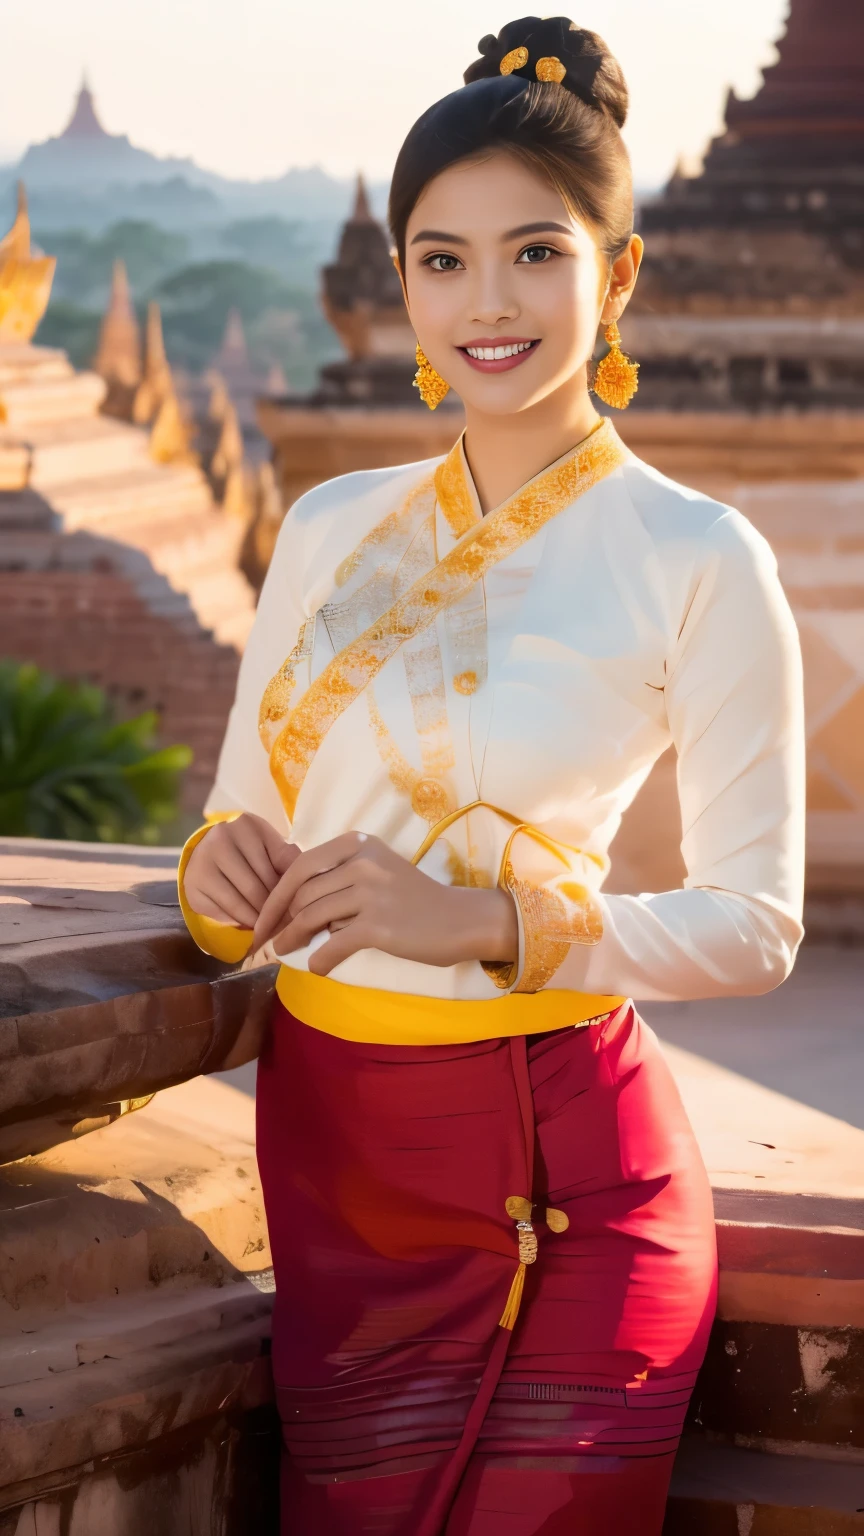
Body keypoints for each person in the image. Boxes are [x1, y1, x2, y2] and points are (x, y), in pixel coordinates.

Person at [179, 16, 805, 1534]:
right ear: (399, 283)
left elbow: (758, 921)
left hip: (570, 1179)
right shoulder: (327, 528)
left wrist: (491, 923)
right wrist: (214, 879)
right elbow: (235, 821)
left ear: (620, 273)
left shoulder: (699, 558)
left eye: (537, 251)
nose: (489, 302)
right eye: (441, 259)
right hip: (336, 1171)